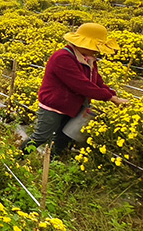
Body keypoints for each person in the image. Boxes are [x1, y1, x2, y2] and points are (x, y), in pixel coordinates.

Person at [21, 23, 129, 156]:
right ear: (83, 44)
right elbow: (81, 85)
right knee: (41, 137)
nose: (98, 51)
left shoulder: (89, 59)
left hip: (73, 107)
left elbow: (97, 81)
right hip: (54, 106)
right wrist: (111, 98)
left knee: (62, 139)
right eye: (96, 47)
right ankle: (18, 158)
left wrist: (113, 95)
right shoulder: (62, 58)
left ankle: (52, 165)